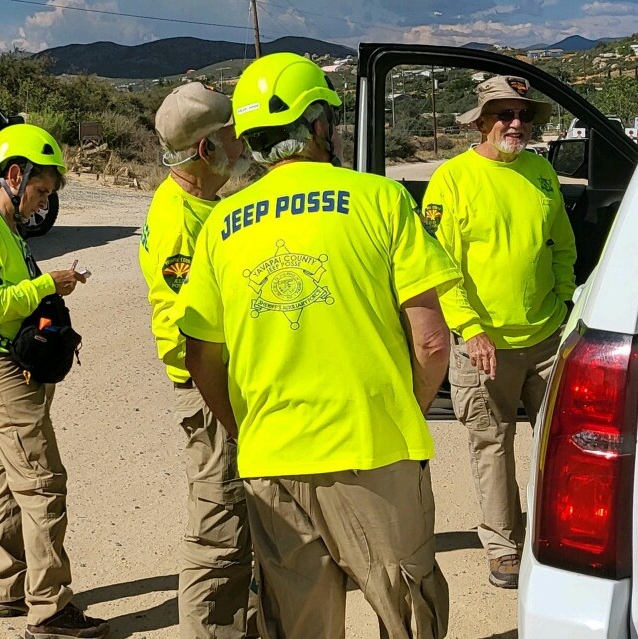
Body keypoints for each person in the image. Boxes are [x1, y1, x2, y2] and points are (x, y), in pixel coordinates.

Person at [177, 52, 459, 639]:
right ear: (319, 124)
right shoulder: (379, 200)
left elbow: (200, 355)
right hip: (374, 450)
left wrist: (242, 426)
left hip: (272, 460)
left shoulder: (221, 226)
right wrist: (402, 408)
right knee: (405, 611)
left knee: (297, 624)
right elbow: (432, 342)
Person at [0, 123, 108, 639]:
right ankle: (50, 610)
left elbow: (10, 292)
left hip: (11, 366)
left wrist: (48, 287)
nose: (42, 204)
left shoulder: (6, 229)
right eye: (39, 191)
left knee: (6, 478)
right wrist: (46, 284)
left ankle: (7, 586)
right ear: (14, 177)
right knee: (41, 483)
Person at [422, 75, 576, 589]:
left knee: (562, 442)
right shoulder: (452, 179)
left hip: (547, 338)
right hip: (483, 346)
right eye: (505, 113)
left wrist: (563, 301)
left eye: (524, 115)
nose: (516, 123)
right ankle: (504, 546)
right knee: (491, 448)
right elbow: (440, 267)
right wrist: (469, 329)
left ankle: (559, 531)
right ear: (482, 120)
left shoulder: (542, 173)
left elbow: (561, 245)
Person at [138, 82, 255, 638]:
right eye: (231, 134)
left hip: (229, 380)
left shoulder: (204, 204)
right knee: (220, 520)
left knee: (246, 516)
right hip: (211, 387)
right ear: (207, 150)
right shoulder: (179, 219)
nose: (241, 143)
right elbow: (188, 328)